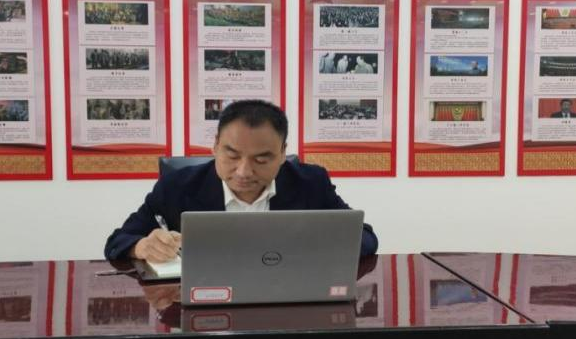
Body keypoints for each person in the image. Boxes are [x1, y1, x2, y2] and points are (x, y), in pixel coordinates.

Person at [104, 99, 378, 262]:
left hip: (288, 302)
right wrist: (142, 246)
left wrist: (317, 242)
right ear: (215, 146)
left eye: (261, 159)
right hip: (204, 306)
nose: (244, 171)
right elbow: (118, 241)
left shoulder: (310, 182)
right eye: (232, 155)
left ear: (283, 153)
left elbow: (366, 238)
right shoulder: (178, 186)